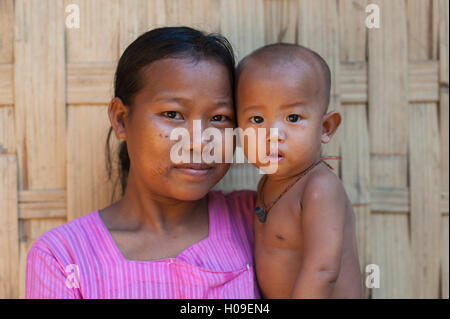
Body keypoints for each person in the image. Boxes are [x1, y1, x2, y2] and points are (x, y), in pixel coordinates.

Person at [26, 27, 260, 299]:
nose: (199, 142)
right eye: (172, 114)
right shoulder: (63, 258)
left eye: (220, 118)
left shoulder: (260, 219)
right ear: (121, 119)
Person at [235, 43, 362, 298]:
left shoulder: (320, 189)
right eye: (257, 120)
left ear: (325, 127)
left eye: (293, 118)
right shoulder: (268, 183)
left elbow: (322, 270)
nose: (272, 135)